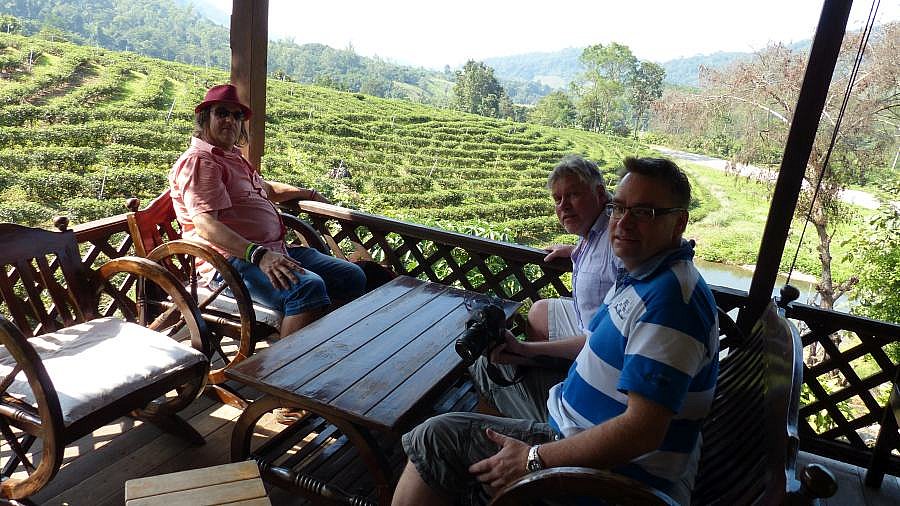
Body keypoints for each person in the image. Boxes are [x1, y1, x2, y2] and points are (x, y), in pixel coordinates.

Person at [392, 157, 719, 506]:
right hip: (572, 416)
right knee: (494, 365)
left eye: (643, 212)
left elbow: (642, 433)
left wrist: (532, 458)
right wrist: (525, 351)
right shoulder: (643, 274)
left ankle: (495, 482)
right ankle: (488, 475)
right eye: (619, 208)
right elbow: (596, 344)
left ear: (678, 222)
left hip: (606, 476)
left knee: (434, 438)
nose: (623, 222)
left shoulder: (671, 303)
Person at [169, 84, 366, 338]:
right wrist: (258, 255)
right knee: (307, 288)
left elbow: (268, 189)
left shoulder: (232, 157)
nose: (230, 120)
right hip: (229, 263)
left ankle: (319, 340)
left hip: (274, 249)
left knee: (351, 276)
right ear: (205, 118)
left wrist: (308, 193)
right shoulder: (201, 161)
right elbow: (206, 225)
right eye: (222, 113)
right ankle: (290, 361)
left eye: (237, 115)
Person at [526, 154, 621, 342]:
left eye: (573, 195)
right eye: (557, 199)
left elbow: (615, 338)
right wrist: (574, 250)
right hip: (586, 322)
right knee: (538, 312)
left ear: (600, 193)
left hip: (602, 340)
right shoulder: (593, 227)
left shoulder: (618, 238)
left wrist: (524, 350)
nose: (564, 206)